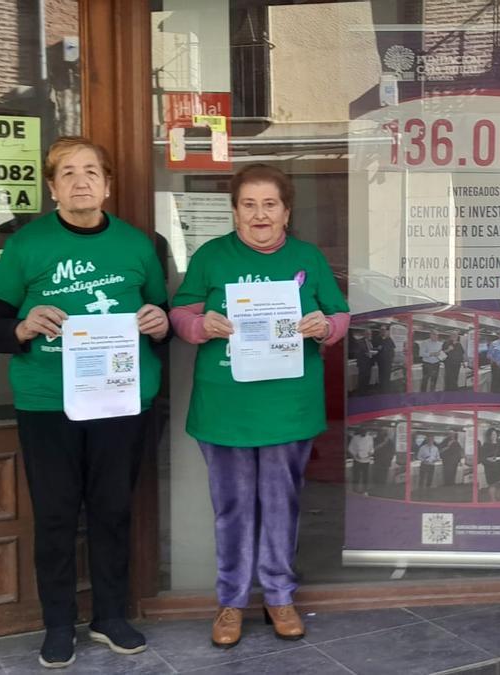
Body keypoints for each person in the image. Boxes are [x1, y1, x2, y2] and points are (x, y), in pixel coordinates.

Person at [0, 136, 171, 668]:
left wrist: (160, 323)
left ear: (107, 184)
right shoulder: (26, 246)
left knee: (112, 510)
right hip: (48, 402)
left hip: (121, 398)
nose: (80, 181)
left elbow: (161, 317)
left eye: (90, 171)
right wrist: (21, 326)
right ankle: (58, 623)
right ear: (52, 187)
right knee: (57, 515)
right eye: (67, 173)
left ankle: (109, 615)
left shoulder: (139, 245)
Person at [169, 163, 350, 649]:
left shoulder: (307, 258)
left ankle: (278, 596)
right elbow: (181, 313)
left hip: (287, 408)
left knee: (280, 504)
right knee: (231, 509)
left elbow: (338, 314)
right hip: (225, 409)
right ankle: (231, 602)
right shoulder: (211, 256)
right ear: (234, 212)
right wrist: (199, 325)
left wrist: (324, 327)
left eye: (269, 204)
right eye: (248, 205)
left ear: (286, 211)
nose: (259, 214)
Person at [477, 427, 500, 502]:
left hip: (498, 466)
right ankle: (493, 500)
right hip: (489, 467)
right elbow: (481, 458)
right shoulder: (486, 445)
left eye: (495, 434)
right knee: (492, 484)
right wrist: (488, 460)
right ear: (489, 435)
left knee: (498, 482)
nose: (494, 435)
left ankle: (497, 497)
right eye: (492, 434)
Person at [348, 329, 374, 394]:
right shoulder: (359, 341)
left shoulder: (370, 341)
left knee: (368, 377)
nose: (369, 335)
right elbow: (357, 352)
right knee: (362, 378)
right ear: (364, 334)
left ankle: (366, 390)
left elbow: (371, 350)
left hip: (369, 363)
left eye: (370, 334)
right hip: (363, 363)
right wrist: (365, 354)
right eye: (368, 334)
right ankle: (361, 392)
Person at [372, 327, 396, 392]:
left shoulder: (389, 339)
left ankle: (387, 388)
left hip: (388, 361)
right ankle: (381, 388)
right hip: (381, 361)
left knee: (387, 374)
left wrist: (392, 358)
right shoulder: (376, 339)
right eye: (382, 330)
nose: (383, 331)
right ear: (380, 331)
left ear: (386, 331)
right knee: (381, 374)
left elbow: (393, 349)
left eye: (384, 330)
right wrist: (377, 348)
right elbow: (372, 349)